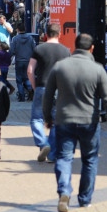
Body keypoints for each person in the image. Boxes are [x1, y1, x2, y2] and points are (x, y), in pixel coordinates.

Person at [43, 33, 107, 212]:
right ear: (92, 48)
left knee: (63, 158)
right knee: (90, 160)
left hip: (64, 120)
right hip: (89, 121)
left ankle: (64, 191)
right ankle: (85, 199)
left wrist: (48, 117)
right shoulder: (98, 69)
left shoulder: (60, 67)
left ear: (74, 46)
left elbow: (48, 96)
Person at [28, 23, 70, 163]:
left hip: (42, 86)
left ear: (46, 34)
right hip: (59, 89)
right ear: (60, 34)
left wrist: (35, 87)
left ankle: (43, 142)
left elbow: (30, 70)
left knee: (36, 119)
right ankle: (52, 154)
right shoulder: (65, 51)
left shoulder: (39, 48)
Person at [10, 21, 36, 102]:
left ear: (17, 30)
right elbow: (34, 49)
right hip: (28, 60)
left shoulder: (15, 39)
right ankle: (30, 89)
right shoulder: (30, 38)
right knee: (27, 77)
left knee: (19, 80)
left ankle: (21, 97)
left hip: (19, 61)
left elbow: (12, 51)